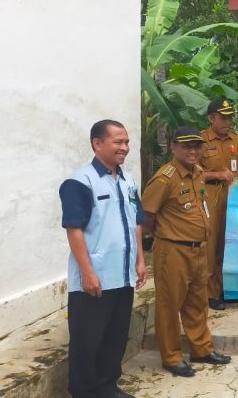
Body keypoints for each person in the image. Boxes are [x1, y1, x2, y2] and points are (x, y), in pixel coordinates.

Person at [59, 119, 147, 398]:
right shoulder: (79, 182)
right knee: (88, 340)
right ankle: (84, 391)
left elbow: (137, 221)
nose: (125, 147)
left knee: (115, 336)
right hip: (94, 278)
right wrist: (86, 272)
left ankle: (107, 385)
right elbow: (74, 228)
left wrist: (140, 260)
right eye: (118, 142)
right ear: (97, 144)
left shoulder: (128, 180)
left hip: (122, 275)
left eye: (127, 142)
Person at [141, 126, 232, 377]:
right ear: (173, 147)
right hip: (173, 251)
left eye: (196, 146)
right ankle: (171, 357)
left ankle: (201, 349)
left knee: (197, 303)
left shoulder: (198, 172)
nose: (193, 151)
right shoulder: (165, 178)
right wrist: (166, 232)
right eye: (186, 146)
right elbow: (146, 215)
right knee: (170, 305)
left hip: (198, 249)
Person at [199, 98, 238, 311]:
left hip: (231, 199)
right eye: (223, 117)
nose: (228, 121)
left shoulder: (234, 141)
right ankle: (210, 293)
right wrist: (217, 174)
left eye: (230, 117)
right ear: (211, 118)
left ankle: (224, 290)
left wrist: (236, 178)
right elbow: (193, 175)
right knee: (211, 247)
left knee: (228, 246)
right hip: (210, 198)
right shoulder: (201, 141)